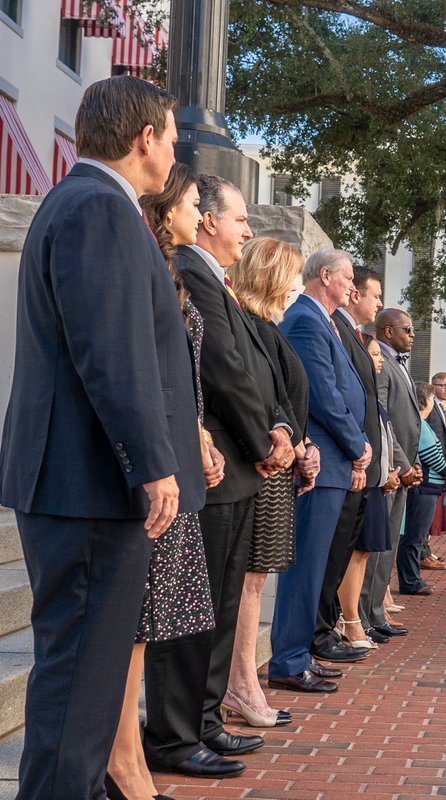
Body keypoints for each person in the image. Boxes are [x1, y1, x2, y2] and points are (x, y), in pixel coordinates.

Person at [0, 76, 205, 800]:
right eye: (173, 137)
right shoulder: (98, 209)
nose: (176, 149)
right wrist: (154, 464)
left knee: (80, 689)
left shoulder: (85, 203)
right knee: (78, 692)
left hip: (79, 482)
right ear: (144, 138)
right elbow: (111, 353)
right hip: (88, 486)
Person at [142, 175, 294, 780]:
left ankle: (203, 721)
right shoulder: (195, 275)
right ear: (205, 219)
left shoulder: (214, 279)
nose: (248, 232)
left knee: (220, 608)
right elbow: (224, 371)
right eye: (239, 220)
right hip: (219, 463)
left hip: (237, 468)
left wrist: (278, 429)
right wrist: (263, 442)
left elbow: (257, 368)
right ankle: (175, 735)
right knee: (192, 611)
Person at [104, 162, 225, 800]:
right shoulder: (143, 258)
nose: (200, 212)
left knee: (146, 628)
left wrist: (199, 435)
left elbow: (180, 376)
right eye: (192, 202)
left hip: (180, 456)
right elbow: (136, 368)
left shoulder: (171, 269)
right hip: (152, 472)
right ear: (168, 206)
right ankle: (124, 759)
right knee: (132, 625)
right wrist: (163, 457)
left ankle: (128, 756)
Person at [223, 237, 320, 728]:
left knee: (256, 581)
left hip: (278, 466)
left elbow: (283, 399)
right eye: (292, 278)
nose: (297, 289)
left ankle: (241, 682)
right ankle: (240, 683)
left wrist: (303, 444)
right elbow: (254, 397)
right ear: (269, 277)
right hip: (260, 467)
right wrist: (288, 445)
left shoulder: (268, 328)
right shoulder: (254, 325)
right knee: (248, 582)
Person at [267, 249, 370, 694]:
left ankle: (300, 653)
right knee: (305, 566)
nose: (353, 286)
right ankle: (289, 660)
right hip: (322, 460)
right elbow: (325, 395)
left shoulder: (324, 320)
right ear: (323, 275)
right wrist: (357, 443)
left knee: (315, 566)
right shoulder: (307, 319)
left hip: (333, 462)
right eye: (348, 278)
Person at [318, 266, 386, 653]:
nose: (379, 302)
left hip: (358, 464)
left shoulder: (354, 334)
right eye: (374, 294)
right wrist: (357, 452)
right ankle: (326, 630)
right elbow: (334, 396)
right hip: (342, 462)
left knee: (346, 552)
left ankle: (329, 628)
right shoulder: (337, 329)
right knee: (332, 556)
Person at [335, 334, 401, 649]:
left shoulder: (372, 395)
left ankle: (357, 618)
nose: (379, 360)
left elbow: (384, 438)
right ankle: (349, 619)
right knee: (355, 551)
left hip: (375, 478)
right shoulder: (360, 393)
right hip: (364, 478)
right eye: (374, 354)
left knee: (364, 552)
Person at [360, 309, 423, 639]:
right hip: (391, 470)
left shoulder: (398, 363)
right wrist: (402, 463)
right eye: (407, 329)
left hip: (403, 468)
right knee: (378, 548)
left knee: (389, 547)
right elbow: (382, 420)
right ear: (387, 331)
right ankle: (366, 617)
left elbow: (409, 422)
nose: (412, 334)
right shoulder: (380, 364)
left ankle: (376, 613)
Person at [397, 383, 446, 595]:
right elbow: (432, 455)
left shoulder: (422, 424)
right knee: (414, 536)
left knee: (417, 535)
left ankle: (412, 578)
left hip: (429, 487)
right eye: (433, 400)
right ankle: (410, 580)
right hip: (424, 487)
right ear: (425, 402)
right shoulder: (420, 425)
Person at [419, 372, 446, 572]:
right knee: (424, 520)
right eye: (442, 385)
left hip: (440, 470)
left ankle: (426, 550)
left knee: (429, 518)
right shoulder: (430, 410)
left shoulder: (441, 409)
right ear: (433, 387)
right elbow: (432, 443)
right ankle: (422, 554)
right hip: (430, 471)